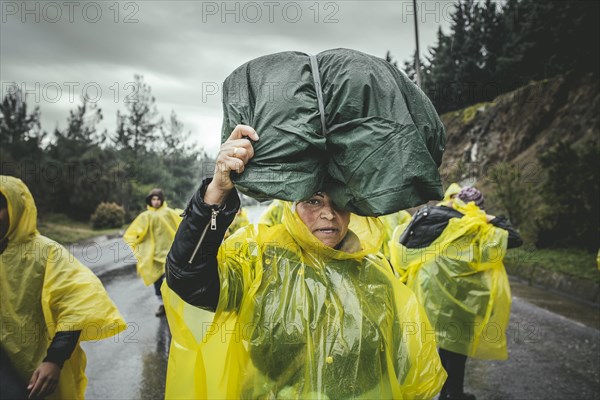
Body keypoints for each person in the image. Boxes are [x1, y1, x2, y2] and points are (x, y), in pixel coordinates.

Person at [162, 125, 447, 399]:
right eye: (313, 201)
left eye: (340, 202)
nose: (329, 214)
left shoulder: (375, 273)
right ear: (291, 205)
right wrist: (217, 192)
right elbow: (188, 277)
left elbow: (401, 362)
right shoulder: (260, 262)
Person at [390, 186, 523, 400]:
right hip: (465, 297)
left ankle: (446, 391)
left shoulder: (433, 216)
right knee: (457, 347)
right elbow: (514, 238)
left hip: (432, 294)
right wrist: (487, 217)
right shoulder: (477, 225)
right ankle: (451, 393)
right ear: (477, 207)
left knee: (443, 344)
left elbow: (405, 242)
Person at [0, 175, 126, 399]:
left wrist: (54, 360)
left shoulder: (46, 252)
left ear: (16, 208)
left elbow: (77, 303)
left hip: (34, 372)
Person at [124, 188, 182, 317]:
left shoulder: (168, 213)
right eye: (153, 199)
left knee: (171, 281)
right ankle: (162, 305)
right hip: (153, 256)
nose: (155, 202)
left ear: (162, 200)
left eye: (158, 199)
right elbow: (134, 232)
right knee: (157, 281)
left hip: (169, 254)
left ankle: (173, 305)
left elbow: (181, 222)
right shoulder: (145, 216)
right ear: (150, 201)